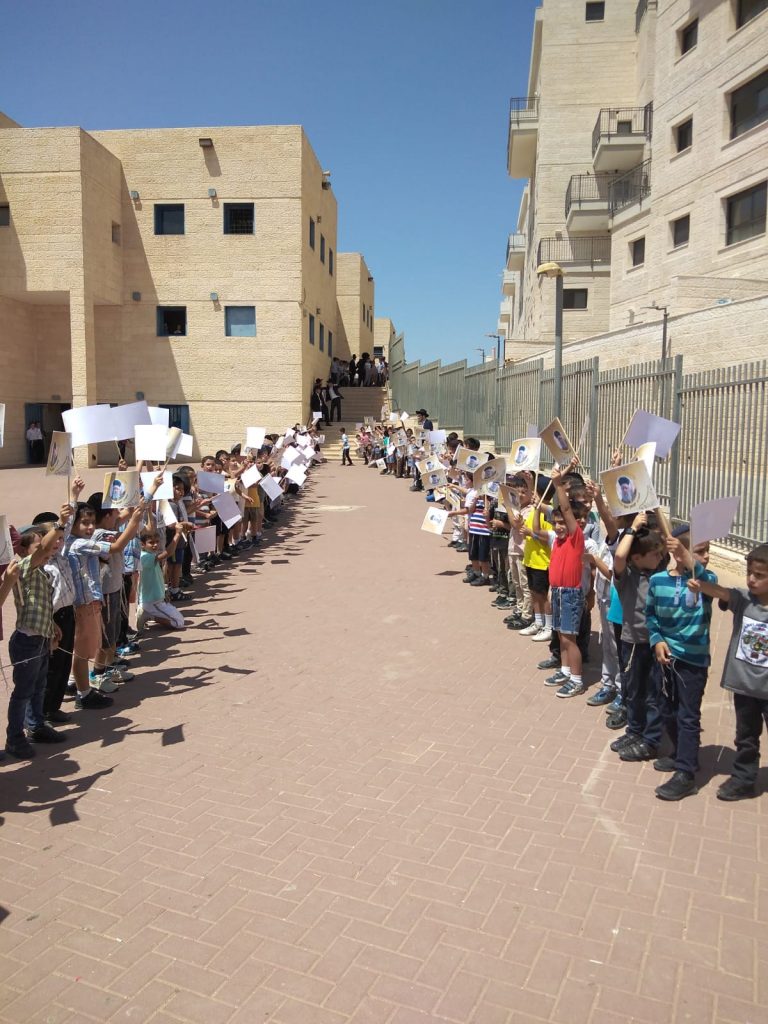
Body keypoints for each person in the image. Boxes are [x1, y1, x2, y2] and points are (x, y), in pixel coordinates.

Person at [686, 541, 768, 801]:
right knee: (746, 737)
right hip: (744, 686)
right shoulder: (744, 600)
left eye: (760, 575)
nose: (752, 580)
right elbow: (721, 592)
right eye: (750, 573)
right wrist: (700, 585)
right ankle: (744, 779)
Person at [646, 527, 717, 800]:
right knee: (666, 707)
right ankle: (679, 752)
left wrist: (693, 562)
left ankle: (686, 772)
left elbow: (710, 580)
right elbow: (650, 614)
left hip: (692, 661)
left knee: (688, 714)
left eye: (707, 550)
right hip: (665, 658)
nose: (707, 556)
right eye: (701, 551)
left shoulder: (705, 583)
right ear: (677, 552)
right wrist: (656, 640)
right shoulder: (658, 581)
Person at [4, 524, 67, 758]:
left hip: (40, 639)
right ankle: (14, 738)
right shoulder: (24, 567)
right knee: (23, 692)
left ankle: (36, 725)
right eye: (39, 544)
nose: (47, 548)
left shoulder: (41, 571)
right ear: (24, 550)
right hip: (26, 642)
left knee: (38, 687)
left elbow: (41, 606)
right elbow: (43, 550)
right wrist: (59, 524)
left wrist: (52, 628)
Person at [609, 510, 667, 762]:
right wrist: (632, 528)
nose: (660, 556)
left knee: (654, 693)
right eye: (654, 553)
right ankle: (635, 730)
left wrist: (658, 513)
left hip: (655, 643)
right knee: (633, 690)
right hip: (632, 643)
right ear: (637, 557)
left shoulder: (658, 571)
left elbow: (669, 542)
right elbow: (620, 555)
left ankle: (651, 739)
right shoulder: (628, 577)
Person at [535, 464, 587, 698]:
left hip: (570, 594)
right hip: (556, 591)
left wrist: (558, 484)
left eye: (563, 522)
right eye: (556, 522)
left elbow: (565, 508)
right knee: (561, 636)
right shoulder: (557, 541)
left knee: (569, 638)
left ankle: (576, 679)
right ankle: (565, 670)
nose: (559, 526)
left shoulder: (576, 538)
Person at [137, 526, 186, 630]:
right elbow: (168, 553)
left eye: (157, 542)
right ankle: (149, 615)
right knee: (179, 622)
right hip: (151, 602)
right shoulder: (144, 557)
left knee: (180, 619)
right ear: (142, 545)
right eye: (151, 542)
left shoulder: (150, 554)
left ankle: (149, 614)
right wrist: (177, 534)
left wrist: (164, 593)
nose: (155, 545)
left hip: (158, 600)